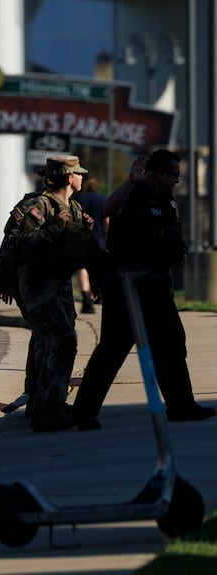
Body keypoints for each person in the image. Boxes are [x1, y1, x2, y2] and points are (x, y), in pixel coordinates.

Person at [72, 149, 216, 430]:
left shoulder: (164, 200)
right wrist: (130, 181)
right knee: (112, 349)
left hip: (158, 286)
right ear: (160, 173)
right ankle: (83, 412)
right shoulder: (133, 194)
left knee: (172, 344)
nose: (177, 180)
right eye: (174, 174)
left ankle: (181, 406)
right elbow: (107, 210)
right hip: (129, 287)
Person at [14, 154, 94, 433]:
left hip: (60, 282)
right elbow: (23, 241)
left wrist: (84, 228)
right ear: (69, 177)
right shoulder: (41, 205)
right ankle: (49, 409)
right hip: (38, 283)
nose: (83, 177)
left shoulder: (71, 207)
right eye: (79, 173)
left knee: (50, 342)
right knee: (63, 340)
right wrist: (54, 228)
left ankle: (43, 402)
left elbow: (72, 249)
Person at [75, 175, 109, 314]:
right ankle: (98, 294)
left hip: (79, 240)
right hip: (98, 240)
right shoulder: (102, 199)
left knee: (82, 268)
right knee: (96, 269)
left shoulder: (77, 199)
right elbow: (107, 222)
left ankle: (86, 298)